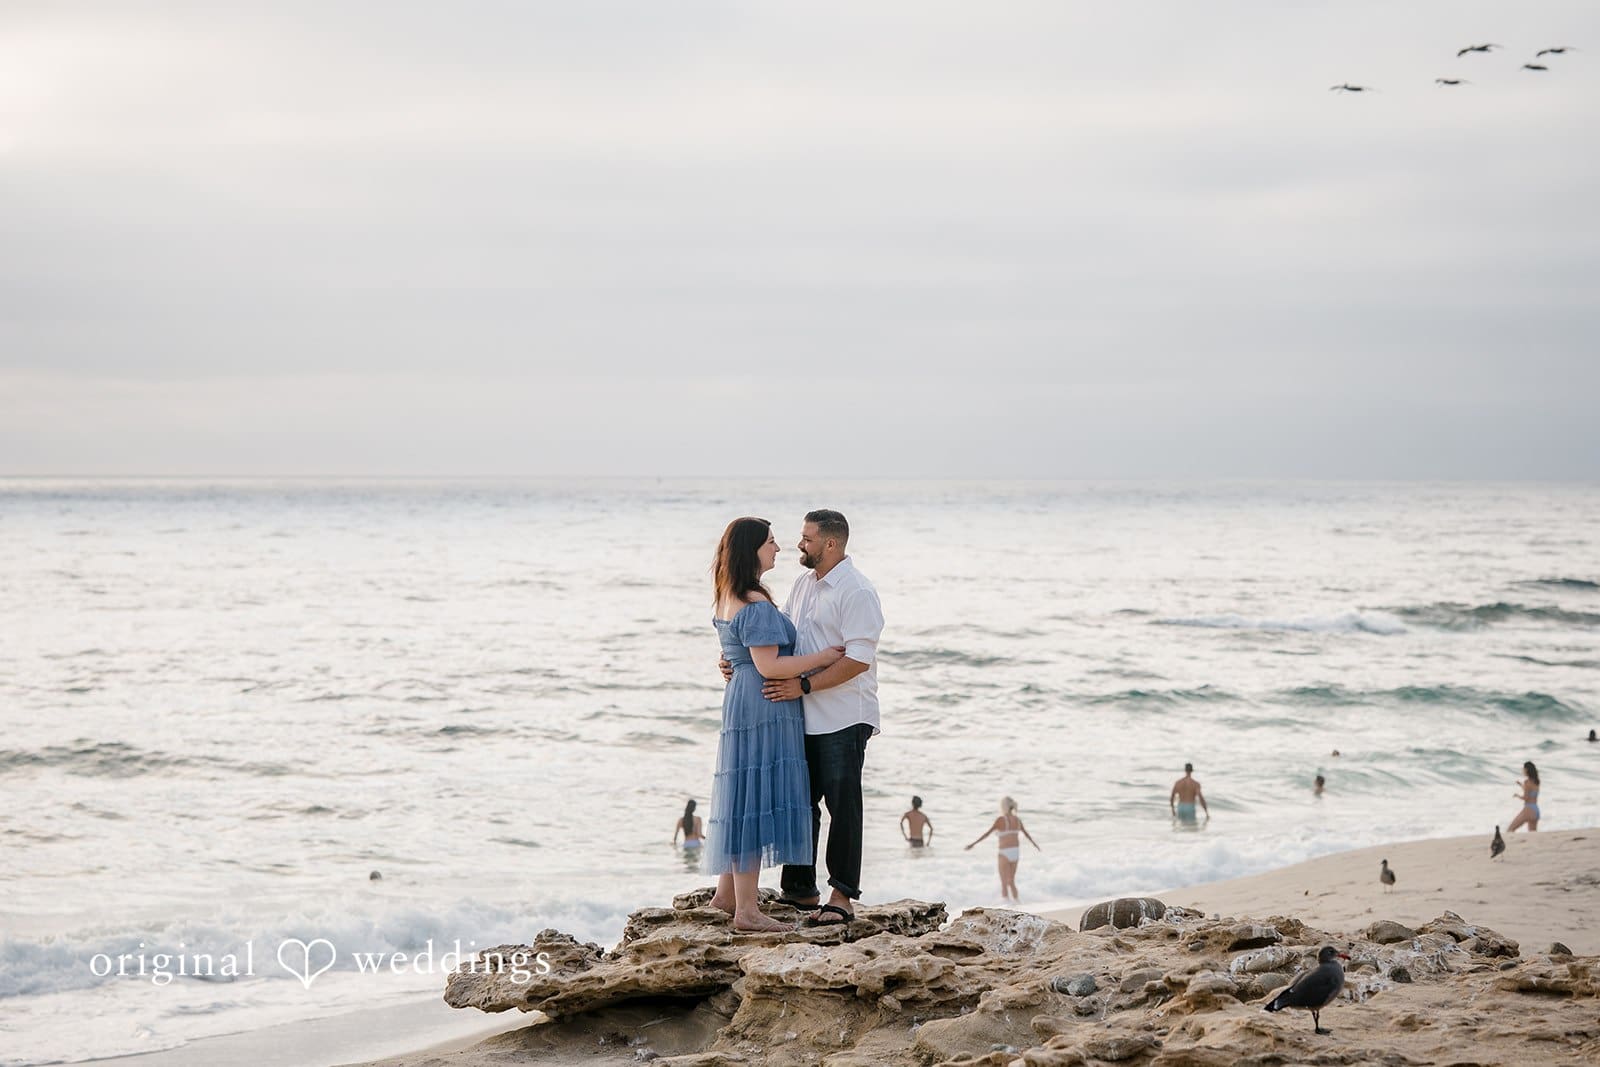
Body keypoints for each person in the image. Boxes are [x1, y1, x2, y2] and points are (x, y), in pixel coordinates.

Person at [704, 517, 846, 932]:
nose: (779, 548)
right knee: (753, 799)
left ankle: (727, 895)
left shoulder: (730, 595)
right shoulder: (754, 601)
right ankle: (747, 911)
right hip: (764, 705)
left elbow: (742, 652)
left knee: (743, 792)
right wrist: (823, 659)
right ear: (752, 550)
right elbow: (770, 665)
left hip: (744, 700)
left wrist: (735, 664)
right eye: (770, 542)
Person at [751, 510, 886, 926]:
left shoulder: (857, 591)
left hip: (845, 716)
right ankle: (800, 892)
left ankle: (842, 897)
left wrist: (805, 686)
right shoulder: (803, 585)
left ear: (831, 544)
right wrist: (741, 662)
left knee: (843, 807)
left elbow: (858, 661)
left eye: (807, 538)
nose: (799, 544)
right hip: (803, 715)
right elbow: (786, 637)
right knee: (800, 803)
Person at [965, 796, 1039, 901]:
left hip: (1004, 852)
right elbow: (1027, 835)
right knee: (1011, 881)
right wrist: (1035, 845)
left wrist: (973, 844)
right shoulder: (1017, 820)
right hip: (1015, 852)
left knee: (1004, 883)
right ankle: (1018, 903)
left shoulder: (1001, 819)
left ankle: (1007, 907)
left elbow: (987, 834)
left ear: (1003, 806)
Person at [1507, 761, 1541, 833]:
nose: (1522, 770)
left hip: (1528, 809)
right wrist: (1521, 785)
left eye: (1523, 769)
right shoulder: (1537, 781)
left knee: (1510, 830)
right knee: (1532, 834)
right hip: (1536, 810)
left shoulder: (1527, 782)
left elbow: (1526, 798)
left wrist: (1517, 796)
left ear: (1526, 770)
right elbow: (1530, 791)